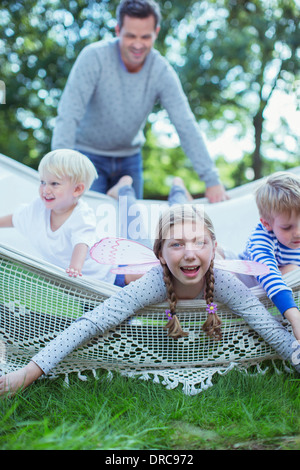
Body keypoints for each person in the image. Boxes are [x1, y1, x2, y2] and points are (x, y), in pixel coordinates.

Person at [1, 204, 299, 396]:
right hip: (145, 267)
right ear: (160, 253)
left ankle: (187, 205)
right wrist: (29, 372)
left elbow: (268, 327)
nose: (190, 252)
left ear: (212, 245)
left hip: (231, 261)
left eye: (200, 242)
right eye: (177, 244)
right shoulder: (154, 281)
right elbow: (92, 323)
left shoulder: (222, 279)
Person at [51, 0, 228, 203]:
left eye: (145, 37)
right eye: (130, 36)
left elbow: (185, 124)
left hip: (129, 159)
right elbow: (68, 114)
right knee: (88, 220)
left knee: (132, 226)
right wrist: (59, 173)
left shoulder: (160, 71)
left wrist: (212, 180)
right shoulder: (94, 58)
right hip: (88, 156)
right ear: (118, 30)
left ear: (156, 32)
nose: (137, 44)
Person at [0, 149, 116, 282]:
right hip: (82, 284)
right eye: (43, 182)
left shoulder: (82, 215)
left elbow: (82, 243)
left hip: (105, 272)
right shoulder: (38, 208)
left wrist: (75, 267)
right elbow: (15, 219)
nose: (46, 190)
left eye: (54, 184)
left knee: (133, 279)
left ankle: (124, 187)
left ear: (77, 189)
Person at [239, 171, 300, 340]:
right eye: (287, 227)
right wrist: (295, 319)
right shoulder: (261, 239)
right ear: (267, 223)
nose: (298, 233)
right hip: (245, 278)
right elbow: (268, 274)